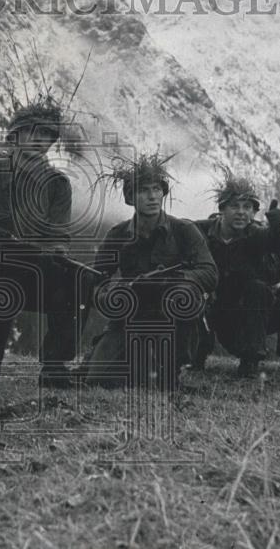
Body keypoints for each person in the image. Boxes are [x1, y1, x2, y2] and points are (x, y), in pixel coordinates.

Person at [0, 95, 77, 387]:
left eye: (49, 136)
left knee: (72, 280)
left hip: (32, 266)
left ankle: (54, 366)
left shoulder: (57, 184)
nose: (42, 141)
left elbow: (59, 235)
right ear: (16, 134)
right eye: (35, 133)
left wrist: (53, 253)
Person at [82, 154, 217, 389]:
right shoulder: (118, 234)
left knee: (184, 295)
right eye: (144, 190)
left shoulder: (184, 230)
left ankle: (172, 367)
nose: (153, 196)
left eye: (157, 189)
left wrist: (174, 280)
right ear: (131, 198)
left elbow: (209, 273)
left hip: (173, 313)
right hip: (132, 314)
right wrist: (113, 294)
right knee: (98, 379)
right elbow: (97, 280)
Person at [191, 176, 280, 376]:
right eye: (234, 206)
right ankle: (195, 356)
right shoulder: (201, 233)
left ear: (255, 212)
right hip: (215, 309)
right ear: (222, 209)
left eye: (248, 207)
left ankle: (260, 359)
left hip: (257, 311)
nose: (241, 212)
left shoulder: (263, 235)